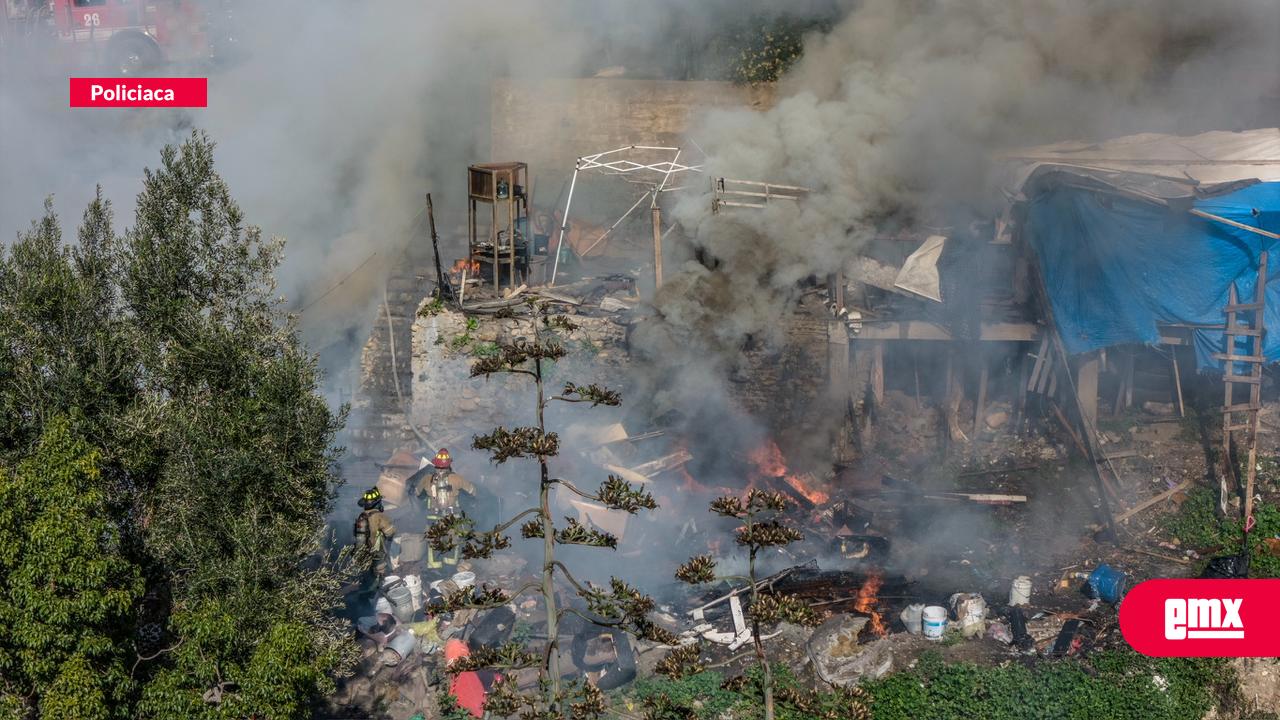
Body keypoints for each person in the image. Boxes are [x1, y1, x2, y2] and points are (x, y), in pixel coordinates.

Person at [418, 448, 475, 572]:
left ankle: (434, 570)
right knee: (453, 542)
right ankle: (450, 568)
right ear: (449, 464)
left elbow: (417, 494)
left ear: (435, 464)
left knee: (433, 543)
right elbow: (472, 491)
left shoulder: (427, 479)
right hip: (452, 518)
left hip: (433, 518)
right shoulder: (457, 478)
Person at [353, 487, 396, 587]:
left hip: (362, 554)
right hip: (378, 554)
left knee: (367, 580)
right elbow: (390, 532)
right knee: (383, 581)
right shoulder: (379, 516)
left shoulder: (361, 516)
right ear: (377, 503)